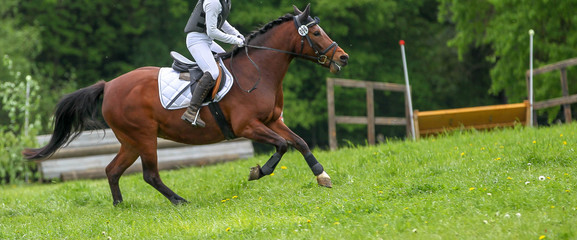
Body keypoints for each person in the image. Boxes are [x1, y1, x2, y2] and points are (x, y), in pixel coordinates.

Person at [182, 0, 245, 127]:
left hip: (207, 41)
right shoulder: (213, 2)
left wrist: (237, 34)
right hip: (197, 40)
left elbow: (222, 22)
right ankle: (192, 110)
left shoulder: (225, 2)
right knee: (213, 72)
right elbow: (212, 31)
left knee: (227, 63)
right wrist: (235, 40)